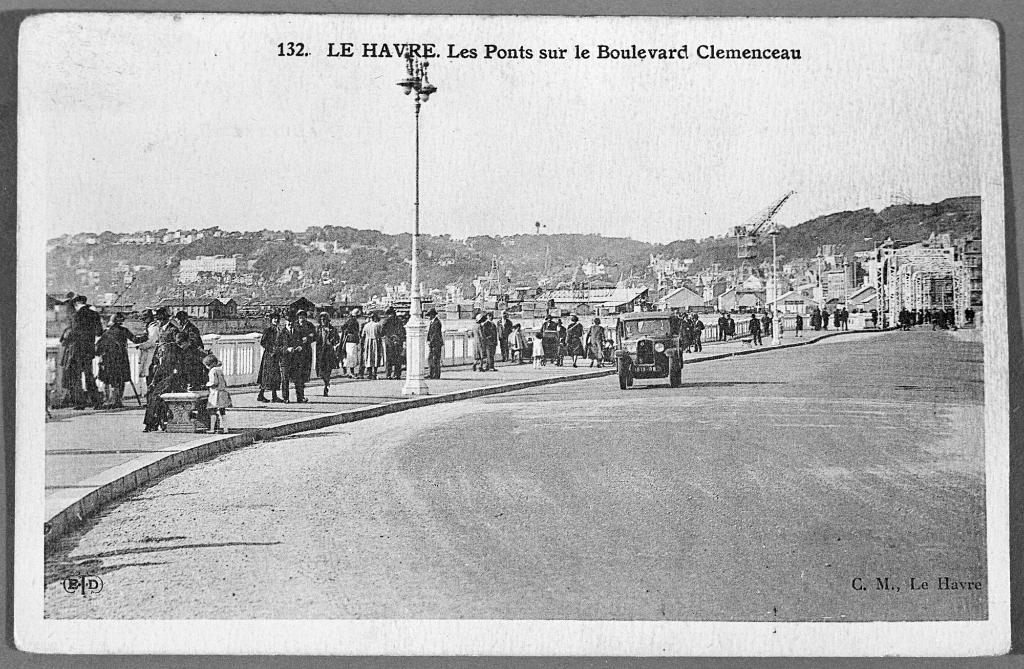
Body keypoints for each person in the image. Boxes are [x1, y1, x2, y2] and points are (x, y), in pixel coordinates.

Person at [96, 313, 145, 408]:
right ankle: (117, 401)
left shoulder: (106, 332)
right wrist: (146, 336)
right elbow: (135, 340)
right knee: (120, 379)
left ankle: (109, 400)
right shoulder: (124, 331)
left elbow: (98, 347)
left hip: (108, 360)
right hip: (121, 359)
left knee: (108, 380)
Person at [64, 294, 104, 409]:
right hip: (89, 350)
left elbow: (73, 334)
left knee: (76, 377)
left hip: (77, 350)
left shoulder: (76, 316)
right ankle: (96, 401)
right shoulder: (94, 315)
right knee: (89, 376)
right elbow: (99, 332)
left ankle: (80, 403)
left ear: (76, 304)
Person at [143, 331, 185, 432]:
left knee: (157, 396)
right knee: (153, 395)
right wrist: (153, 382)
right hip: (166, 379)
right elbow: (160, 367)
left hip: (173, 379)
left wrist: (155, 381)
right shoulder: (165, 350)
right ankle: (153, 422)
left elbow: (164, 368)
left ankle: (153, 422)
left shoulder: (171, 349)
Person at [276, 311, 308, 402]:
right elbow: (277, 347)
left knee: (298, 379)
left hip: (296, 359)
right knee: (285, 379)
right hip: (285, 359)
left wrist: (300, 347)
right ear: (285, 322)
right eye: (288, 321)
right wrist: (286, 349)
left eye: (291, 321)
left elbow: (302, 342)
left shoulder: (298, 331)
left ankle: (300, 397)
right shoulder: (282, 333)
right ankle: (286, 398)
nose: (290, 323)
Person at [256, 313, 283, 403]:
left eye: (277, 319)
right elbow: (263, 342)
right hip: (269, 355)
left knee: (275, 375)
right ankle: (261, 395)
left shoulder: (279, 330)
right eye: (274, 319)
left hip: (276, 355)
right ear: (271, 320)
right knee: (267, 375)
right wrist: (271, 349)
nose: (275, 320)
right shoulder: (268, 330)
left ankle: (274, 396)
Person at [203, 353, 232, 433]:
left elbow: (214, 382)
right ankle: (226, 428)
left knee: (212, 410)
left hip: (215, 393)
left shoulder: (212, 371)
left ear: (209, 365)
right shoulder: (219, 370)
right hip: (223, 392)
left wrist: (207, 384)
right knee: (222, 411)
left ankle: (212, 429)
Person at [315, 312, 341, 395]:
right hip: (320, 352)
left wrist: (331, 342)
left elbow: (337, 339)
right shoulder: (318, 329)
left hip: (328, 352)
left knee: (328, 369)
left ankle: (326, 384)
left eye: (324, 319)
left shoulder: (332, 329)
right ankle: (326, 381)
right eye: (321, 319)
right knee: (320, 370)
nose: (323, 321)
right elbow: (315, 338)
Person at [136, 309, 161, 395]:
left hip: (152, 356)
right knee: (148, 378)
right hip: (148, 356)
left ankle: (151, 400)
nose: (143, 321)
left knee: (151, 379)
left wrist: (141, 346)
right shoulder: (149, 327)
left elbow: (151, 342)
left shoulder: (154, 328)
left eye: (144, 319)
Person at [380, 307, 405, 380]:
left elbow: (382, 332)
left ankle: (388, 374)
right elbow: (402, 332)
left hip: (389, 342)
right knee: (398, 359)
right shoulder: (399, 321)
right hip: (398, 341)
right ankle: (397, 374)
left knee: (389, 359)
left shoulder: (386, 321)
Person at [360, 311, 384, 380]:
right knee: (376, 356)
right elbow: (381, 333)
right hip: (376, 341)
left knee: (368, 356)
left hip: (367, 342)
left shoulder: (366, 325)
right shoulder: (378, 325)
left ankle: (369, 373)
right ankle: (374, 373)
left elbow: (362, 335)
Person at [295, 310, 317, 385]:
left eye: (303, 316)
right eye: (300, 316)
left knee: (306, 366)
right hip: (297, 349)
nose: (301, 318)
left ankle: (303, 383)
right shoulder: (295, 325)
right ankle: (298, 383)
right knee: (297, 366)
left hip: (307, 348)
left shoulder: (309, 325)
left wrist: (308, 338)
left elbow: (314, 335)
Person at [340, 308, 363, 378]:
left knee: (348, 356)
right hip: (352, 340)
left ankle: (347, 371)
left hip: (348, 340)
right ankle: (351, 372)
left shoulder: (349, 321)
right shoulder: (354, 322)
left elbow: (343, 327)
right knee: (352, 356)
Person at [426, 308, 444, 379]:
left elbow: (435, 334)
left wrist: (431, 342)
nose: (428, 317)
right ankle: (432, 373)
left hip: (436, 344)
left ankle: (435, 374)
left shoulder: (436, 323)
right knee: (432, 359)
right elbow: (430, 333)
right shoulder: (433, 322)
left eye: (429, 315)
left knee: (435, 359)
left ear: (432, 315)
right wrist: (428, 340)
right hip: (434, 343)